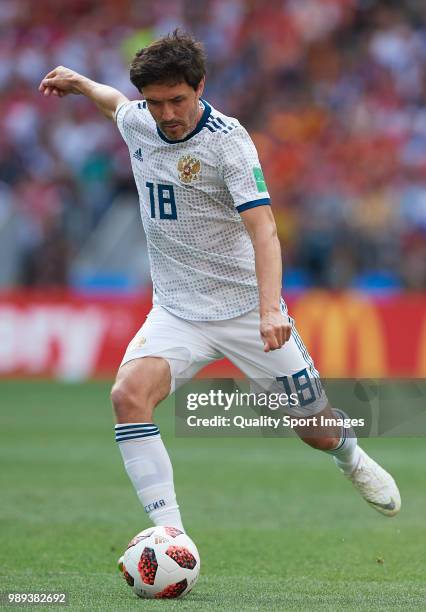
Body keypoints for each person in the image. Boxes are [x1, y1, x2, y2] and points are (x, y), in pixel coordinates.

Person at [39, 30, 400, 540]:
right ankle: (171, 538)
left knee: (315, 431)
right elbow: (114, 103)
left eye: (177, 100)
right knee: (128, 396)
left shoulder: (228, 142)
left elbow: (265, 229)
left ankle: (351, 454)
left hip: (247, 313)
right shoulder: (139, 121)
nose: (166, 113)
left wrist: (271, 308)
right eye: (156, 101)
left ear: (200, 86)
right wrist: (79, 82)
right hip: (177, 312)